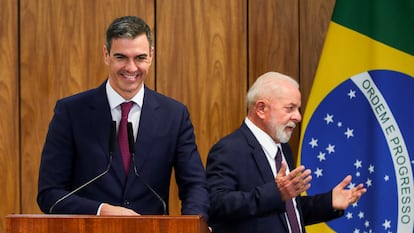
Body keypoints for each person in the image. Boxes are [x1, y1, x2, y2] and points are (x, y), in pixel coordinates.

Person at [37, 16, 209, 219]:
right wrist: (101, 210)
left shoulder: (174, 115)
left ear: (151, 56)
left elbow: (195, 186)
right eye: (121, 57)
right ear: (106, 55)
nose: (131, 68)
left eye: (140, 58)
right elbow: (50, 194)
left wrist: (192, 224)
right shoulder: (71, 112)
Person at [206, 72, 367, 233]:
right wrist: (275, 193)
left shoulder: (282, 149)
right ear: (261, 109)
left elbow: (287, 212)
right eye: (290, 108)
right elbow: (216, 205)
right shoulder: (229, 149)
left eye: (298, 109)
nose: (298, 117)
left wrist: (329, 201)